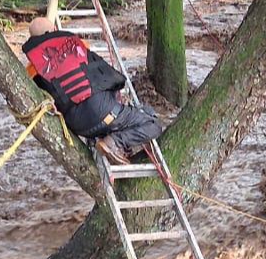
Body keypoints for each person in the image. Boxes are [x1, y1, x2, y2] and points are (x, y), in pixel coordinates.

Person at [22, 17, 162, 164]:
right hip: (104, 112)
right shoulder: (77, 44)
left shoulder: (32, 68)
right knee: (152, 123)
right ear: (55, 30)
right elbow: (106, 75)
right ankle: (116, 142)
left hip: (77, 126)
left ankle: (111, 140)